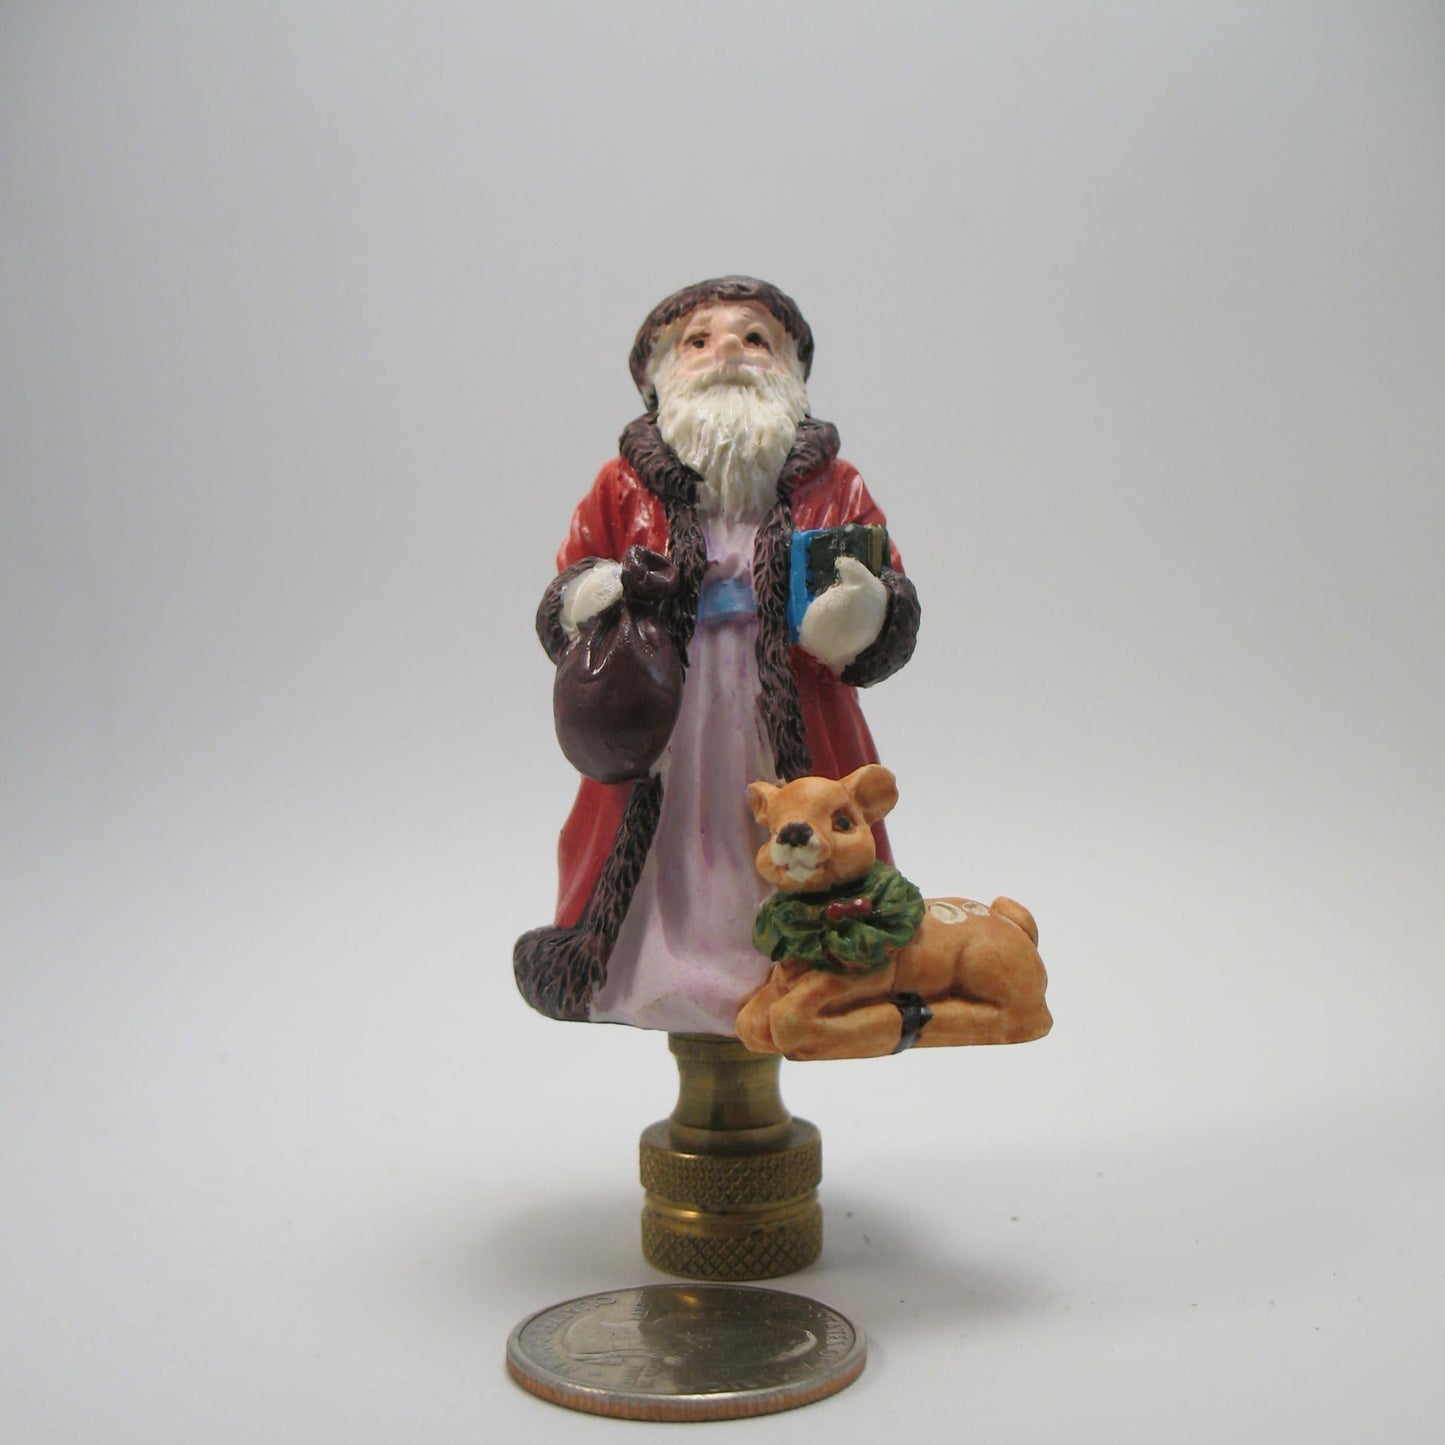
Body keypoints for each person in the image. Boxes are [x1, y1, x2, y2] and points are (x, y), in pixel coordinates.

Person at [514, 277, 920, 1031]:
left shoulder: (834, 484)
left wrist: (860, 616)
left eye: (754, 337)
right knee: (669, 831)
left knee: (793, 821)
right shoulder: (623, 485)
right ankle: (662, 961)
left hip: (791, 699)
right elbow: (569, 584)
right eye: (699, 340)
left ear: (789, 371)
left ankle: (795, 967)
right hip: (668, 699)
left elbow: (884, 584)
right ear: (661, 376)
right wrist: (602, 591)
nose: (727, 349)